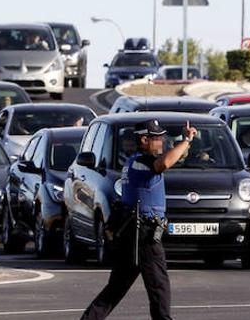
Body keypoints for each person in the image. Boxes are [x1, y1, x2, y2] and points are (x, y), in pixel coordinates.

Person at [81, 119, 198, 320]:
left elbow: (172, 157)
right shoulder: (142, 162)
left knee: (116, 288)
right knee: (159, 286)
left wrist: (185, 140)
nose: (161, 142)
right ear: (144, 139)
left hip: (133, 232)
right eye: (157, 138)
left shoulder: (135, 161)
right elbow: (165, 163)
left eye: (162, 137)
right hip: (144, 235)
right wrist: (185, 141)